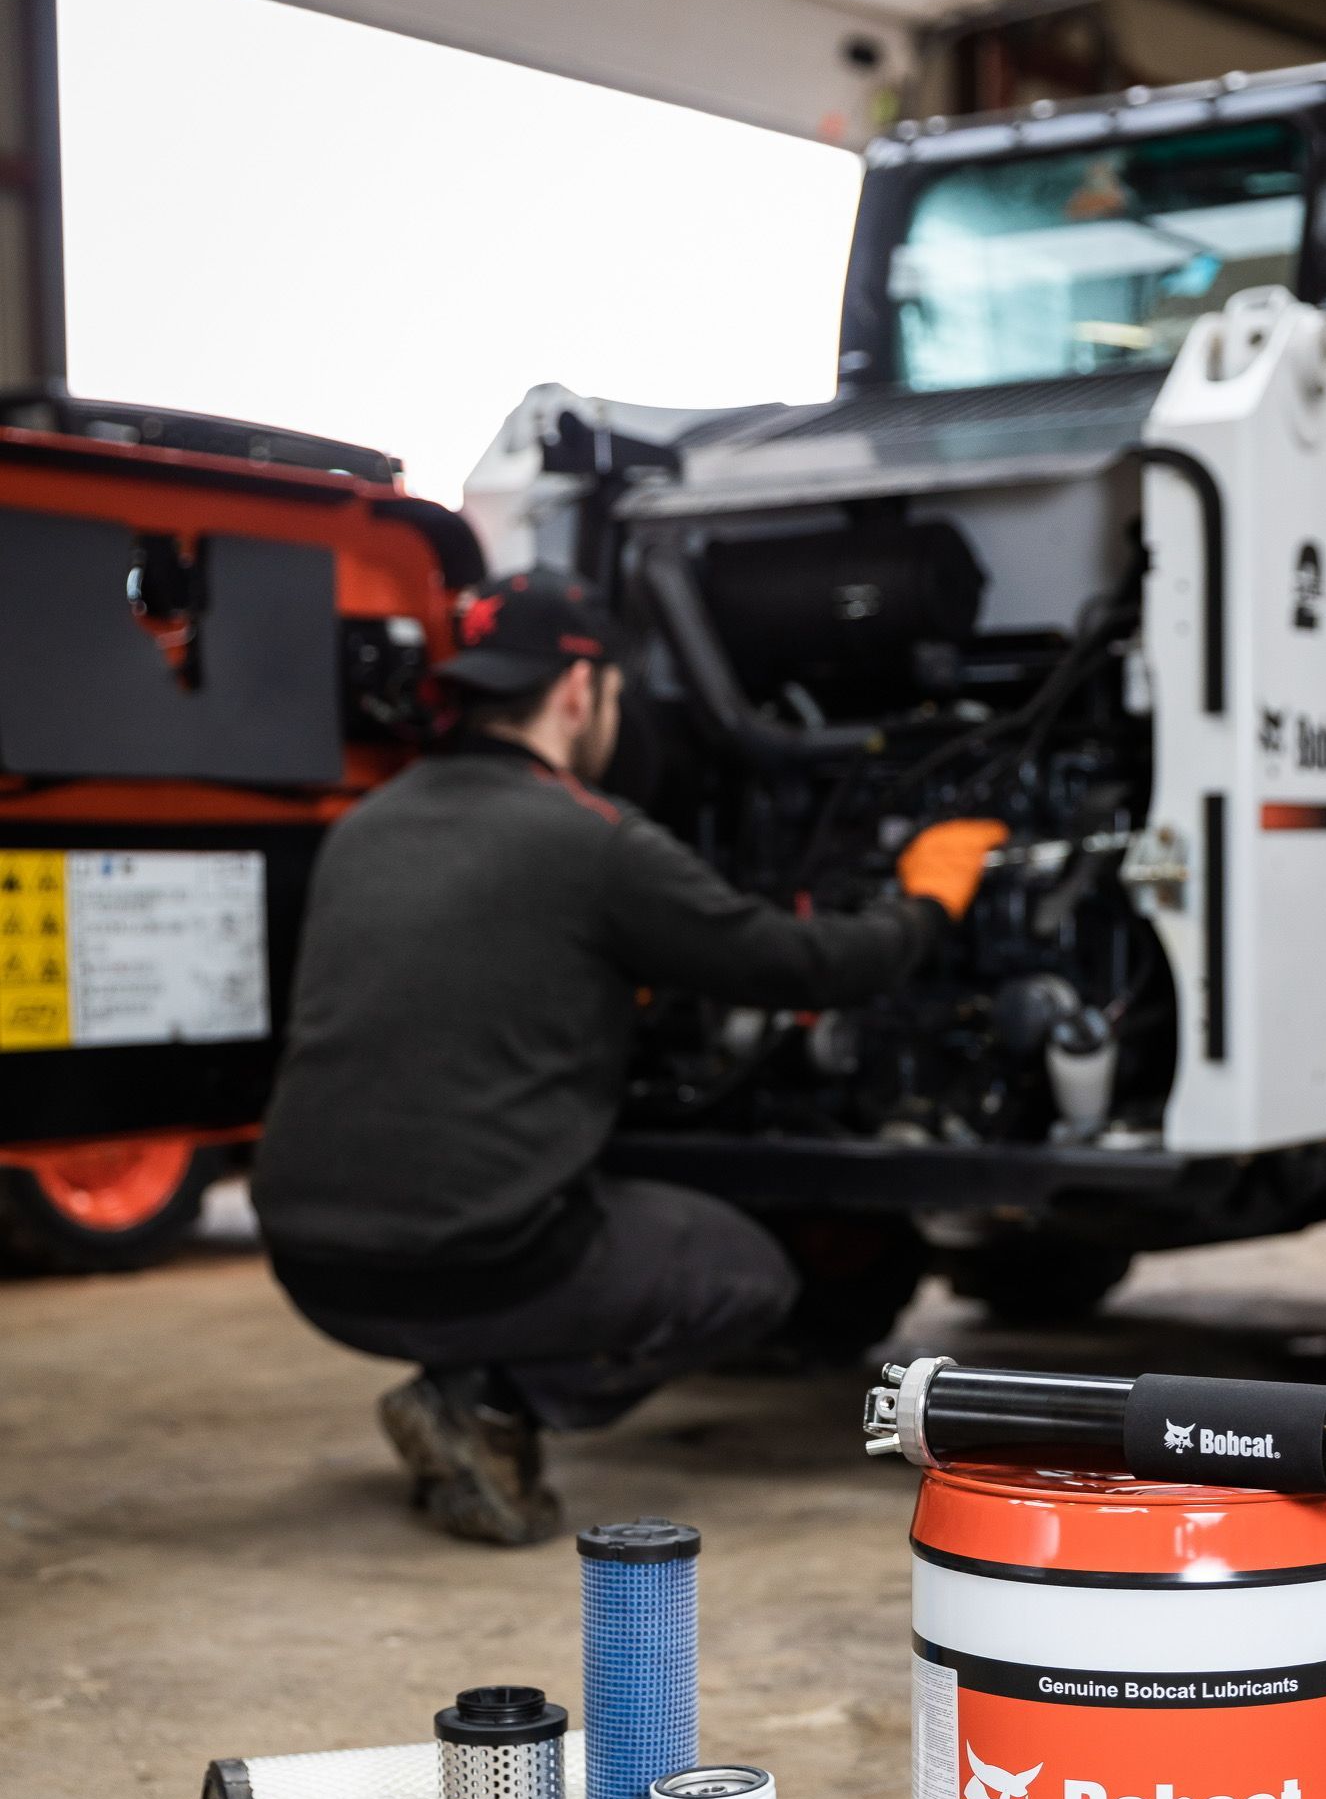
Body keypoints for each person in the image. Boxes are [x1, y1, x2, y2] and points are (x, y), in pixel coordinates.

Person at [252, 569, 1004, 1545]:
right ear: (578, 691)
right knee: (746, 1277)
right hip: (467, 1260)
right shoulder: (592, 839)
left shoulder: (365, 826)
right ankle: (491, 1401)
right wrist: (927, 899)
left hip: (311, 1263)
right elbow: (806, 964)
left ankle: (467, 1384)